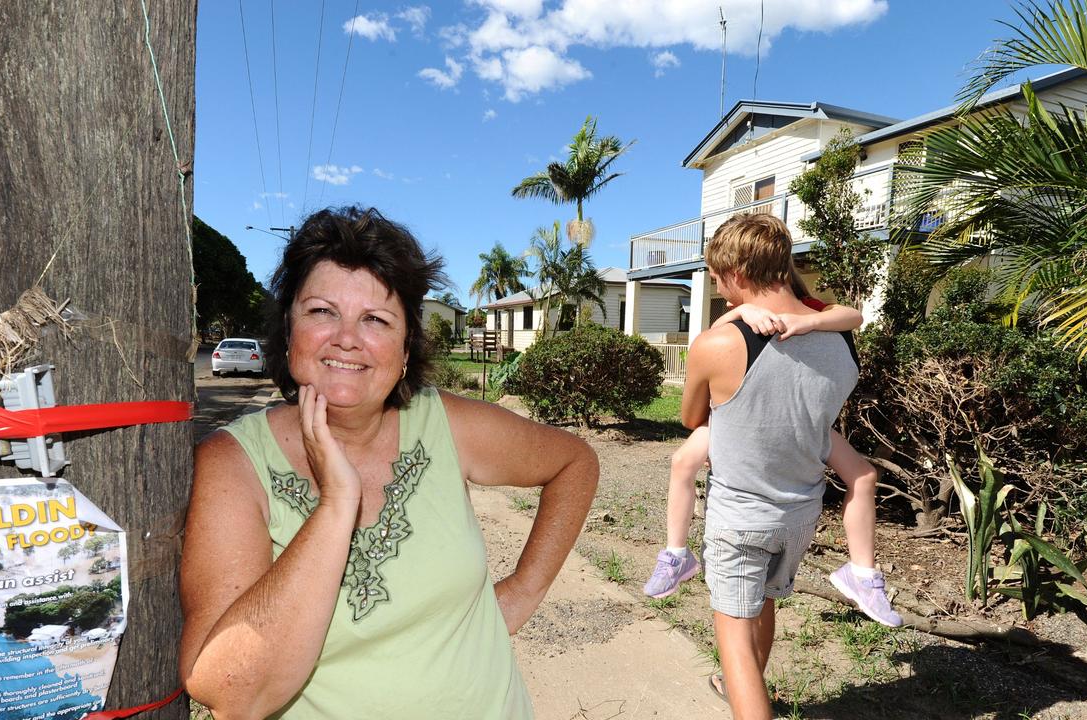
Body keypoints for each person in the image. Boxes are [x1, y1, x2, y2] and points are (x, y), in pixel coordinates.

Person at [178, 206, 598, 719]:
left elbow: (574, 462)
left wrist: (523, 592)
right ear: (289, 332)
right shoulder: (234, 465)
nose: (347, 337)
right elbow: (228, 691)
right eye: (321, 311)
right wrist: (337, 506)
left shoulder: (445, 424)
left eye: (375, 319)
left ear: (404, 351)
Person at [643, 269, 901, 630]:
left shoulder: (810, 312)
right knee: (682, 461)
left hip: (792, 423)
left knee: (864, 475)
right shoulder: (742, 314)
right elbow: (722, 330)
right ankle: (675, 553)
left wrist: (809, 322)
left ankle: (861, 571)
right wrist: (739, 312)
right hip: (749, 419)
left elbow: (853, 316)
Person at [684, 213, 867, 719]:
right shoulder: (838, 339)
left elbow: (692, 418)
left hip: (740, 512)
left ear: (738, 273)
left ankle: (745, 695)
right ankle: (746, 688)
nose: (720, 292)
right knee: (763, 602)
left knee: (732, 636)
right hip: (800, 510)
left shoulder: (720, 343)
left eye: (718, 280)